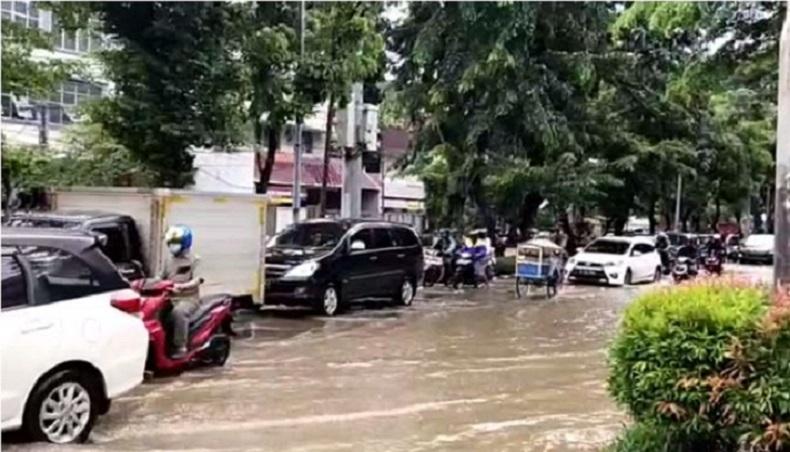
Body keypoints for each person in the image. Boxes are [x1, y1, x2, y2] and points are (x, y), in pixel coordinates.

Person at [160, 225, 202, 359]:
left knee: (179, 313)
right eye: (171, 242)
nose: (172, 245)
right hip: (169, 297)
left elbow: (197, 280)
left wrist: (182, 287)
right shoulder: (168, 260)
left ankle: (180, 346)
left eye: (175, 242)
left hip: (188, 299)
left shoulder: (195, 260)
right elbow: (160, 278)